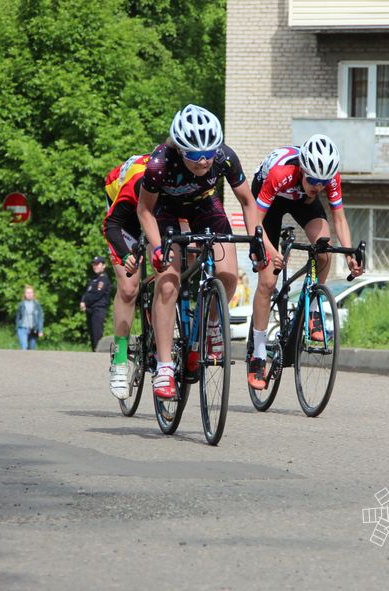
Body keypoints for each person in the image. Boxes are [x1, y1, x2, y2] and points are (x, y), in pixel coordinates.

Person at [137, 104, 264, 400]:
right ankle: (165, 365)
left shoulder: (224, 157)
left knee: (229, 273)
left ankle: (210, 326)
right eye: (195, 154)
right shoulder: (159, 163)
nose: (204, 160)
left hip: (205, 206)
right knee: (168, 282)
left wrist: (257, 239)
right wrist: (157, 248)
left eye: (209, 152)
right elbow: (144, 209)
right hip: (164, 211)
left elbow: (247, 202)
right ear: (180, 150)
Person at [247, 134, 364, 390]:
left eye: (323, 182)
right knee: (268, 280)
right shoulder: (282, 173)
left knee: (324, 249)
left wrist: (349, 254)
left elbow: (339, 220)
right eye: (313, 180)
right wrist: (268, 248)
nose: (318, 186)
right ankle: (257, 355)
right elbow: (254, 220)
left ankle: (313, 313)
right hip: (270, 200)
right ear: (303, 170)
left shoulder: (326, 179)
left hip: (301, 201)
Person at [102, 153, 150, 399]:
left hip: (158, 211)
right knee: (130, 286)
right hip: (125, 213)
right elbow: (111, 225)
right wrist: (125, 255)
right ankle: (120, 358)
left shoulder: (180, 183)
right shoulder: (136, 180)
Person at [80, 256, 112, 352]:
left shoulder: (103, 279)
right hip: (90, 309)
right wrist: (83, 301)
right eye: (94, 264)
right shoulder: (94, 279)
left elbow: (97, 294)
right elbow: (87, 293)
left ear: (103, 266)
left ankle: (98, 353)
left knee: (97, 332)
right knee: (92, 333)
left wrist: (85, 302)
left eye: (97, 264)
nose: (95, 266)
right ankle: (94, 352)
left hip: (98, 309)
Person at [15, 285, 44, 350]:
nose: (29, 294)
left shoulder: (37, 305)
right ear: (25, 294)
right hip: (22, 328)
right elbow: (17, 318)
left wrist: (40, 330)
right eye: (27, 293)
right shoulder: (21, 305)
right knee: (24, 346)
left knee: (32, 349)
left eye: (31, 293)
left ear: (33, 294)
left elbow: (40, 318)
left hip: (33, 329)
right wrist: (16, 330)